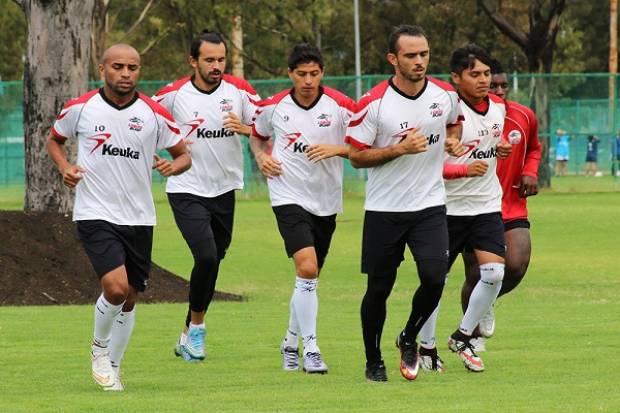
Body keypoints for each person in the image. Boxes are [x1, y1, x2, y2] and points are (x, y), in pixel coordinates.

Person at [46, 44, 191, 391]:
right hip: (94, 212)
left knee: (129, 298)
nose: (126, 73)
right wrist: (65, 167)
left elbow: (183, 154)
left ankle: (114, 364)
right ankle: (98, 349)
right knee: (115, 287)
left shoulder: (154, 113)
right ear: (102, 69)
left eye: (133, 67)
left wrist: (174, 166)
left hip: (139, 217)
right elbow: (54, 140)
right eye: (118, 67)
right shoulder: (81, 108)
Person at [346, 25, 465, 382]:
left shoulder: (445, 95)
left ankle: (408, 337)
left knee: (434, 278)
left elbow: (454, 125)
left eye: (424, 54)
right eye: (411, 55)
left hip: (429, 206)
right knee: (379, 289)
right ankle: (373, 360)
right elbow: (355, 156)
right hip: (385, 210)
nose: (419, 61)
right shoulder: (373, 104)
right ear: (393, 59)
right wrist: (399, 148)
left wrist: (454, 142)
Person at [153, 30, 260, 362]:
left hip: (224, 190)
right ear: (193, 62)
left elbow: (271, 122)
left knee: (212, 261)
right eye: (209, 60)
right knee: (207, 256)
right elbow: (140, 121)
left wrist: (247, 129)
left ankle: (187, 332)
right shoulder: (173, 95)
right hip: (186, 189)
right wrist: (154, 159)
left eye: (221, 60)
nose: (217, 66)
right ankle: (198, 331)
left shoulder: (239, 91)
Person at [250, 43, 355, 374]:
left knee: (309, 277)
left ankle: (289, 342)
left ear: (322, 73)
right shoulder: (274, 107)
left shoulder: (341, 106)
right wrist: (261, 157)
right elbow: (256, 136)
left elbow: (365, 142)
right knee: (307, 268)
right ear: (290, 74)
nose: (308, 80)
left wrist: (336, 149)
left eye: (314, 73)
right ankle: (311, 349)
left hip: (325, 200)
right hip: (287, 195)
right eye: (301, 74)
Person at [418, 44, 512, 373]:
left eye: (487, 74)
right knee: (435, 281)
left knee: (494, 273)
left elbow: (492, 148)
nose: (484, 80)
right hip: (444, 208)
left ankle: (462, 336)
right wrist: (460, 168)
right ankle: (426, 347)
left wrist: (500, 151)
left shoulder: (499, 108)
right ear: (456, 77)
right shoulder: (443, 111)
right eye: (475, 74)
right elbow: (429, 164)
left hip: (485, 206)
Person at [458, 59, 541, 352]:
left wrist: (531, 171)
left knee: (517, 264)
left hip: (511, 202)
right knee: (475, 274)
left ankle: (486, 302)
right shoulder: (460, 115)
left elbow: (533, 148)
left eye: (503, 84)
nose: (500, 90)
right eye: (494, 85)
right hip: (473, 203)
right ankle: (470, 337)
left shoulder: (523, 115)